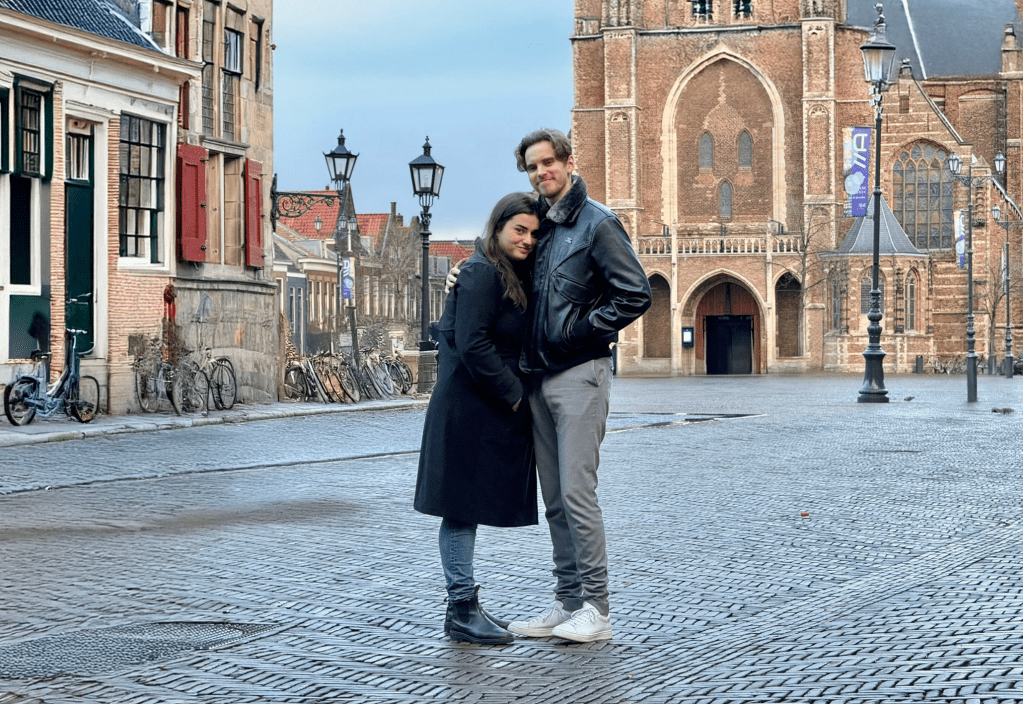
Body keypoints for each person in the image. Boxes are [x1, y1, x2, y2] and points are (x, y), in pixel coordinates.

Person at [504, 128, 651, 643]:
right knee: (554, 499)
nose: (541, 172)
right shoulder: (539, 225)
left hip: (580, 373)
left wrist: (578, 332)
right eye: (532, 167)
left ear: (568, 162)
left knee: (576, 493)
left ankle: (597, 609)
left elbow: (635, 293)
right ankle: (568, 602)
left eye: (548, 162)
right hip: (539, 376)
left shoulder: (598, 223)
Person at [414, 192, 542, 645]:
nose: (527, 240)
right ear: (498, 227)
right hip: (465, 408)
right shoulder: (481, 272)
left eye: (534, 233)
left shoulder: (502, 271)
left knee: (465, 506)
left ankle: (465, 606)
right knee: (460, 509)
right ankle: (462, 610)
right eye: (519, 230)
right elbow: (473, 344)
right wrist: (516, 397)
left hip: (479, 406)